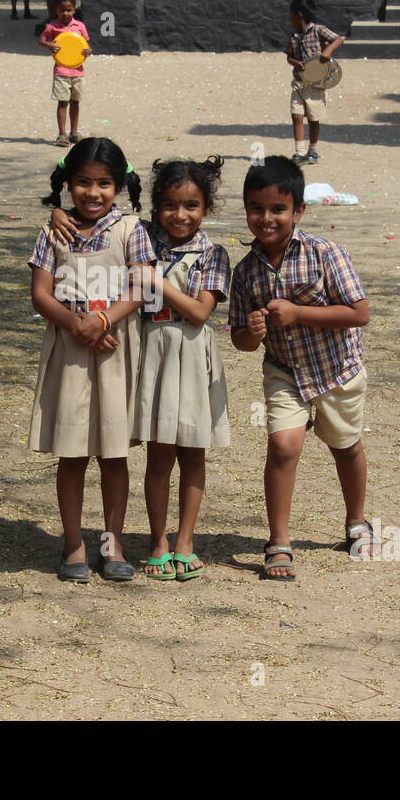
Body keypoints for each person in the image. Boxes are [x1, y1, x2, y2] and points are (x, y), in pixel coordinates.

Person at [50, 157, 231, 582]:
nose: (180, 215)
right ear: (154, 207)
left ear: (206, 208)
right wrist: (56, 210)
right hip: (148, 351)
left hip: (190, 352)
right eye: (169, 204)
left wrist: (155, 280)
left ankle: (185, 540)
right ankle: (158, 541)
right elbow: (96, 214)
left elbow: (201, 312)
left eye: (191, 206)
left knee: (192, 449)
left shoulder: (212, 253)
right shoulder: (140, 235)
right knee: (157, 451)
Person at [228, 157, 372, 582]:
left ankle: (357, 522)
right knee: (283, 446)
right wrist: (252, 332)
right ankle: (278, 542)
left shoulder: (325, 254)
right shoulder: (246, 271)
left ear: (298, 211)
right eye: (256, 208)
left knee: (345, 446)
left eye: (278, 209)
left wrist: (298, 313)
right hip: (284, 370)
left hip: (336, 370)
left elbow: (359, 313)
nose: (266, 218)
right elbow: (240, 339)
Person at [27, 138, 155, 583]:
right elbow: (40, 294)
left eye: (103, 183)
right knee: (72, 453)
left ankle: (112, 542)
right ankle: (73, 543)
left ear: (118, 185)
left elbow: (142, 288)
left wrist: (102, 320)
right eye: (82, 182)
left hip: (114, 352)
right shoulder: (53, 232)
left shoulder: (131, 230)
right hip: (69, 352)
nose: (92, 193)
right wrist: (75, 324)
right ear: (68, 183)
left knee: (114, 453)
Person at [285, 0, 344, 166]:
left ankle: (313, 150)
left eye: (291, 15)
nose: (289, 19)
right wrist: (293, 62)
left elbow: (338, 39)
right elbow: (289, 56)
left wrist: (328, 51)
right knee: (296, 116)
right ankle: (300, 152)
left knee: (313, 118)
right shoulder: (293, 36)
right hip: (298, 82)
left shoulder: (318, 30)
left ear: (300, 15)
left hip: (316, 84)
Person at [37, 0, 91, 146]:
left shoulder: (80, 26)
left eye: (69, 10)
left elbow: (85, 44)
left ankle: (74, 133)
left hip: (78, 70)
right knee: (62, 102)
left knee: (75, 102)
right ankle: (62, 135)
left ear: (74, 10)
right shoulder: (52, 26)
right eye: (62, 10)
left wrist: (88, 51)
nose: (65, 13)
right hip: (61, 70)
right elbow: (41, 40)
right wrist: (49, 45)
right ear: (56, 10)